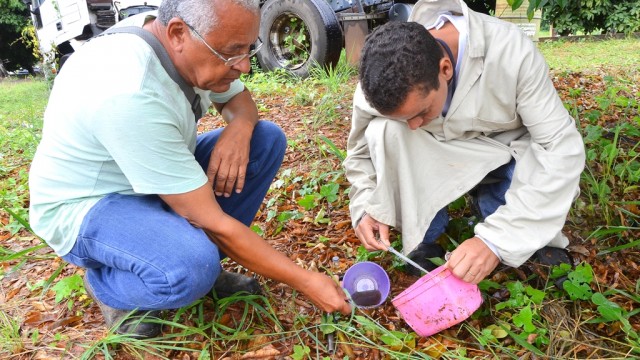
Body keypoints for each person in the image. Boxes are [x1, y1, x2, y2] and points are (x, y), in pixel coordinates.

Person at [29, 0, 350, 338]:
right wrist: (308, 281)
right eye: (231, 53)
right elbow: (214, 222)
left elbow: (239, 102)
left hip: (147, 174)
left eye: (248, 49)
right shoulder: (130, 91)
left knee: (263, 141)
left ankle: (191, 259)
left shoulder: (174, 36)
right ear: (178, 34)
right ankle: (110, 285)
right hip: (90, 204)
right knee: (190, 266)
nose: (244, 66)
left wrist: (239, 129)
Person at [344, 0, 586, 284]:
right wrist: (363, 206)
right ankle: (425, 237)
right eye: (406, 117)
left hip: (505, 154)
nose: (413, 125)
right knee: (384, 131)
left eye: (421, 112)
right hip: (438, 152)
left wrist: (496, 242)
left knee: (534, 171)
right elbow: (359, 151)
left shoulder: (510, 51)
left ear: (445, 69)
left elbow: (561, 147)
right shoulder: (377, 80)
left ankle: (512, 222)